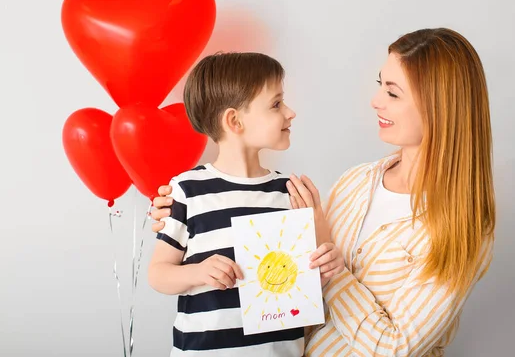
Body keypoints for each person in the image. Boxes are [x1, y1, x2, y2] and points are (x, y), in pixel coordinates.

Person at [151, 28, 496, 356]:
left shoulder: (462, 225)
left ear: (439, 107)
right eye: (381, 85)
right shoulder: (355, 183)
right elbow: (285, 280)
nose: (375, 100)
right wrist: (180, 214)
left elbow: (393, 348)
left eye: (392, 92)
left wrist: (330, 265)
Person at [147, 52, 345, 357]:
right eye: (276, 104)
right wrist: (197, 272)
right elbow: (158, 274)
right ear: (235, 121)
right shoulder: (187, 191)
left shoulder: (289, 192)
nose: (290, 113)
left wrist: (322, 265)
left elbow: (300, 285)